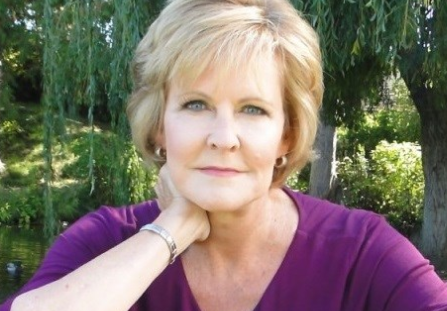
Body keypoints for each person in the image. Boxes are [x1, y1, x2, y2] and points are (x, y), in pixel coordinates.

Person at [2, 0, 447, 310]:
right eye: (196, 104)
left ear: (286, 137)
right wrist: (171, 229)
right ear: (159, 125)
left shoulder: (362, 254)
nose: (224, 137)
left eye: (253, 109)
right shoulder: (105, 243)